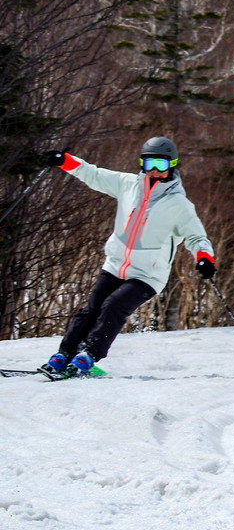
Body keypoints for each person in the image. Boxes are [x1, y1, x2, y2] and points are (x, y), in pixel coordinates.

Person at [38, 137, 215, 378]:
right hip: (115, 265)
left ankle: (89, 355)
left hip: (148, 275)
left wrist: (204, 258)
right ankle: (64, 355)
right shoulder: (127, 184)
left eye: (161, 165)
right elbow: (94, 175)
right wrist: (64, 161)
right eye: (149, 163)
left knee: (113, 306)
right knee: (90, 310)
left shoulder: (179, 204)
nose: (154, 170)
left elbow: (196, 237)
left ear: (172, 165)